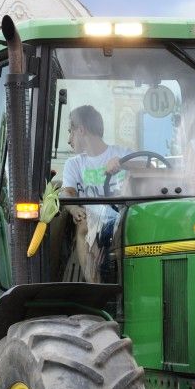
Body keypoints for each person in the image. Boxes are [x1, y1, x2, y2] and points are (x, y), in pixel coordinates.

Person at [60, 105, 131, 283]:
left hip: (123, 215)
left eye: (71, 132)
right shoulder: (74, 164)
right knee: (84, 225)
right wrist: (74, 208)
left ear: (81, 130)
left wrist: (124, 164)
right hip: (94, 221)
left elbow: (150, 170)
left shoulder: (121, 153)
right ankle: (95, 287)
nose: (69, 140)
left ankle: (128, 287)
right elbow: (67, 193)